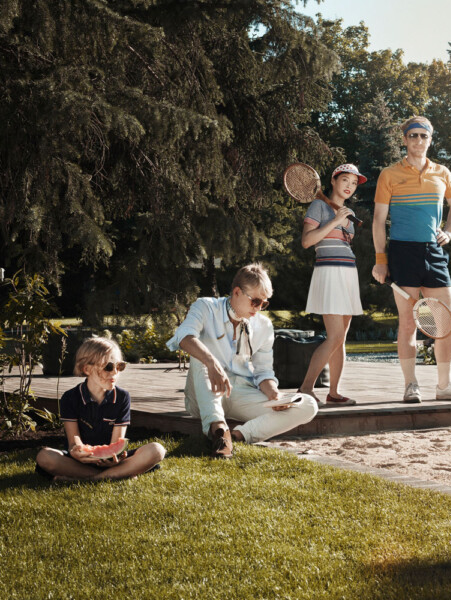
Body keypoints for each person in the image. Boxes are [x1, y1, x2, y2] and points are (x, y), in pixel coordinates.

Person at [371, 116, 451, 403]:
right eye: (413, 135)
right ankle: (410, 385)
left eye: (423, 136)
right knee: (407, 324)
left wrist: (449, 232)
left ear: (430, 140)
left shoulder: (442, 172)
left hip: (434, 252)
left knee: (446, 322)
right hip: (402, 252)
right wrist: (381, 260)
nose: (418, 141)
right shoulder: (389, 174)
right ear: (404, 139)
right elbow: (379, 220)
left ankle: (444, 386)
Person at [167, 263, 318, 458]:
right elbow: (184, 337)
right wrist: (212, 363)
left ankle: (237, 436)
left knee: (307, 405)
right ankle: (218, 429)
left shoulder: (263, 325)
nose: (259, 308)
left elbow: (263, 372)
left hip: (241, 394)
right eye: (255, 301)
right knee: (201, 357)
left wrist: (276, 396)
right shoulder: (205, 307)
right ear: (237, 292)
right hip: (204, 393)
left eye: (264, 303)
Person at [35, 338, 166, 481]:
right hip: (81, 462)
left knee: (157, 450)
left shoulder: (122, 397)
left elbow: (117, 443)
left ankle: (88, 479)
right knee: (45, 457)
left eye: (120, 366)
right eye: (108, 367)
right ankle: (120, 474)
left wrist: (114, 458)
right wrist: (75, 452)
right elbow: (74, 442)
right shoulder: (70, 397)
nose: (115, 372)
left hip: (112, 462)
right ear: (87, 369)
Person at [297, 164, 367, 407]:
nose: (349, 186)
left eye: (354, 183)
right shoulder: (318, 206)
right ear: (334, 181)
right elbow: (307, 241)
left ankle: (334, 392)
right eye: (345, 180)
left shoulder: (347, 212)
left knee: (341, 338)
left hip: (348, 274)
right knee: (334, 335)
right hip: (329, 273)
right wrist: (335, 221)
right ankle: (306, 388)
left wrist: (341, 218)